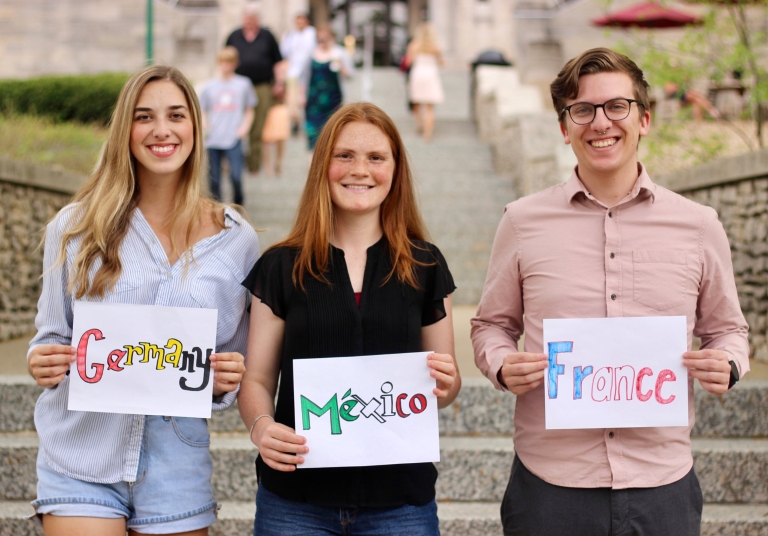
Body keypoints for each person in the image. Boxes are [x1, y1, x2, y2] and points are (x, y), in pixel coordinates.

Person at [471, 48, 749, 535]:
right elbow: (491, 325)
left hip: (661, 484)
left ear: (644, 119)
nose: (600, 123)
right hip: (549, 487)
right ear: (564, 127)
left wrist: (726, 363)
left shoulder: (699, 225)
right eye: (582, 110)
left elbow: (729, 329)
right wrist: (500, 363)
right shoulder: (521, 221)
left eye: (616, 106)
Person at [27, 65, 259, 536]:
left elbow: (233, 363)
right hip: (81, 456)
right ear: (124, 131)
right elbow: (50, 336)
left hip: (177, 466)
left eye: (176, 114)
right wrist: (42, 360)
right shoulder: (73, 228)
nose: (161, 130)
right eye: (143, 117)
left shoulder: (236, 240)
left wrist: (226, 379)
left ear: (195, 125)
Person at [238, 102, 461, 535]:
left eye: (376, 157)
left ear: (395, 170)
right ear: (323, 166)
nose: (360, 169)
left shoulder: (425, 265)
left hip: (401, 503)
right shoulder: (281, 267)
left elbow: (443, 389)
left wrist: (446, 383)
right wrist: (261, 427)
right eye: (345, 156)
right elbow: (257, 380)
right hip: (295, 501)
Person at [226, 3, 283, 173]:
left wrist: (279, 83)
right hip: (236, 87)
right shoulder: (234, 36)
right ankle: (232, 161)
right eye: (247, 17)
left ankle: (253, 164)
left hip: (261, 86)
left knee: (257, 127)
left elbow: (278, 62)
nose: (249, 21)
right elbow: (225, 59)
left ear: (258, 19)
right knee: (234, 122)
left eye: (253, 18)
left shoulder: (267, 36)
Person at [199, 46, 257, 205]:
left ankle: (238, 205)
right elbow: (201, 108)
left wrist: (244, 128)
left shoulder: (243, 84)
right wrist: (205, 124)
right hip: (214, 139)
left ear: (235, 63)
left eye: (229, 63)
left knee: (236, 176)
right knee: (214, 180)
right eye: (223, 62)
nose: (226, 66)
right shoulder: (209, 86)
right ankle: (216, 209)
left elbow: (250, 109)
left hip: (234, 137)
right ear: (219, 63)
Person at [300, 25, 354, 152]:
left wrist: (341, 66)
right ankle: (313, 163)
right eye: (320, 39)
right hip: (313, 99)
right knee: (313, 133)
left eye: (325, 39)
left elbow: (351, 75)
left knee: (333, 132)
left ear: (332, 38)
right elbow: (304, 76)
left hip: (333, 99)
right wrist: (301, 95)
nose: (322, 42)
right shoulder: (310, 54)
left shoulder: (339, 53)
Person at [404, 23, 444, 142]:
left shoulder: (414, 45)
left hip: (418, 74)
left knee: (416, 102)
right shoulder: (435, 47)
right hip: (431, 75)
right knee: (429, 107)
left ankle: (419, 124)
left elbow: (408, 62)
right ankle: (428, 133)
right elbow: (441, 63)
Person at [279, 13, 316, 135]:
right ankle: (295, 120)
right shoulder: (290, 35)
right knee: (292, 99)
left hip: (308, 72)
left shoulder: (311, 34)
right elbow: (285, 52)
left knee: (304, 98)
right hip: (293, 71)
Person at [260, 61, 290, 177]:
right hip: (268, 107)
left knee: (281, 138)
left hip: (280, 108)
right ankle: (268, 165)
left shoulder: (284, 68)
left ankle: (278, 162)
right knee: (265, 139)